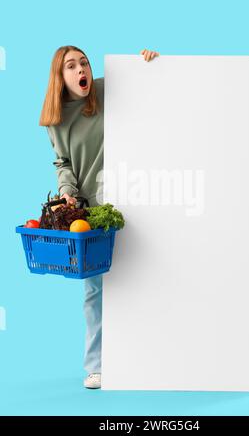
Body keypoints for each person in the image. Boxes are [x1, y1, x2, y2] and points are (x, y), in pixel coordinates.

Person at [39, 45, 159, 389]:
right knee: (95, 290)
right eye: (72, 66)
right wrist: (67, 193)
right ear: (60, 78)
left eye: (85, 63)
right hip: (93, 209)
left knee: (142, 277)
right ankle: (97, 365)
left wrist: (145, 63)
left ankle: (150, 357)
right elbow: (63, 163)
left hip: (138, 196)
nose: (82, 70)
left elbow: (145, 84)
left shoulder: (107, 90)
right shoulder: (56, 119)